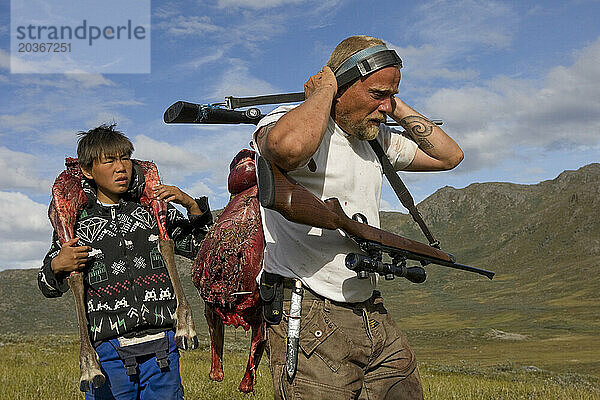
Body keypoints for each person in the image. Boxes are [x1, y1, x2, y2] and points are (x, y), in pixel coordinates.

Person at [254, 35, 464, 399]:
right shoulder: (287, 123)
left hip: (369, 306)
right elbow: (287, 150)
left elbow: (449, 157)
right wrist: (325, 90)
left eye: (391, 95)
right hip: (309, 309)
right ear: (342, 84)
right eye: (377, 94)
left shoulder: (375, 137)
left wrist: (393, 105)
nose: (386, 106)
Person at [38, 124, 212, 400]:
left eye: (125, 158)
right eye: (110, 161)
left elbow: (203, 248)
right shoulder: (76, 225)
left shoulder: (154, 213)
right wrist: (58, 265)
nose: (121, 168)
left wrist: (192, 205)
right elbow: (47, 286)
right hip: (107, 353)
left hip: (161, 348)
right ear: (87, 170)